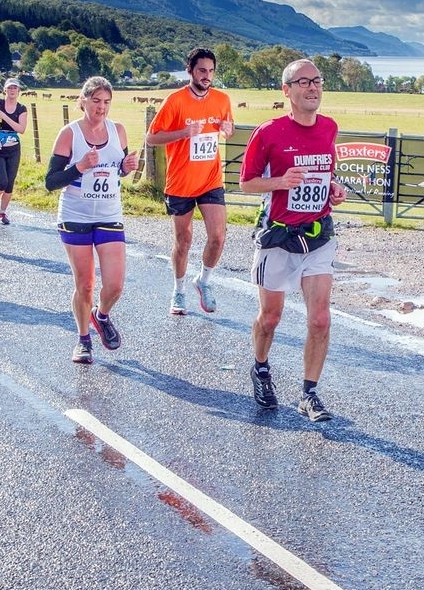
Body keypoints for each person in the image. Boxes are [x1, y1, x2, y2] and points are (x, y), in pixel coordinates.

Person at [239, 59, 347, 422]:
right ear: (286, 91)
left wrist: (333, 189)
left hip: (318, 235)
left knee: (319, 319)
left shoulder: (329, 128)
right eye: (303, 82)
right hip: (277, 237)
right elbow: (246, 183)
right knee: (271, 317)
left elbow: (325, 175)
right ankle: (261, 367)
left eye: (317, 81)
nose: (313, 88)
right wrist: (280, 182)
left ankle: (309, 393)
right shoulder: (268, 132)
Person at [44, 76, 139, 364]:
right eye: (96, 101)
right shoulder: (69, 134)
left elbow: (117, 171)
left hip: (109, 214)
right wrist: (79, 167)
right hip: (76, 216)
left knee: (115, 285)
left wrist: (126, 167)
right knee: (85, 284)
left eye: (107, 102)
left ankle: (102, 315)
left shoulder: (118, 131)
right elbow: (51, 181)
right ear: (83, 101)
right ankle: (83, 340)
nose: (101, 107)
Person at [145, 48, 235, 315]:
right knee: (184, 241)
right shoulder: (175, 101)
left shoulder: (222, 99)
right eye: (201, 71)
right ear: (190, 71)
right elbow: (152, 138)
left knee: (218, 237)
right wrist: (183, 132)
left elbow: (227, 126)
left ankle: (203, 281)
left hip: (210, 179)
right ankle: (179, 289)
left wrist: (228, 129)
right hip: (181, 182)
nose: (207, 76)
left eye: (211, 71)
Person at [0, 77, 29, 225]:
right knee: (2, 182)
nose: (12, 90)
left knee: (10, 183)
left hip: (13, 148)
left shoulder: (21, 109)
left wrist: (4, 116)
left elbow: (21, 129)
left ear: (19, 91)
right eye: (10, 88)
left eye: (15, 88)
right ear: (5, 89)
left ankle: (2, 213)